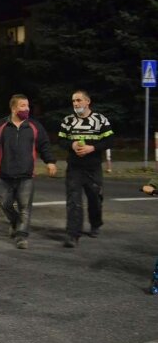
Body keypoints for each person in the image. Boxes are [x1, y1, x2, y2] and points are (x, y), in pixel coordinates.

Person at [0, 94, 57, 250]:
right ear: (13, 108)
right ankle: (15, 222)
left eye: (27, 106)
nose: (26, 109)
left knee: (25, 207)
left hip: (26, 175)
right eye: (23, 106)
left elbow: (44, 145)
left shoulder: (34, 126)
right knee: (4, 203)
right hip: (5, 174)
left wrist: (50, 162)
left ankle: (21, 236)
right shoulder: (0, 125)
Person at [59, 90, 114, 248]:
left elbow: (110, 141)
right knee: (73, 201)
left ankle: (95, 224)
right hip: (74, 168)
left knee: (95, 199)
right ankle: (73, 234)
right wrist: (72, 145)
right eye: (73, 101)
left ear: (87, 101)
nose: (76, 104)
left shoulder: (100, 120)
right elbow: (61, 140)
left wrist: (92, 148)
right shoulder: (68, 121)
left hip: (93, 167)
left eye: (78, 100)